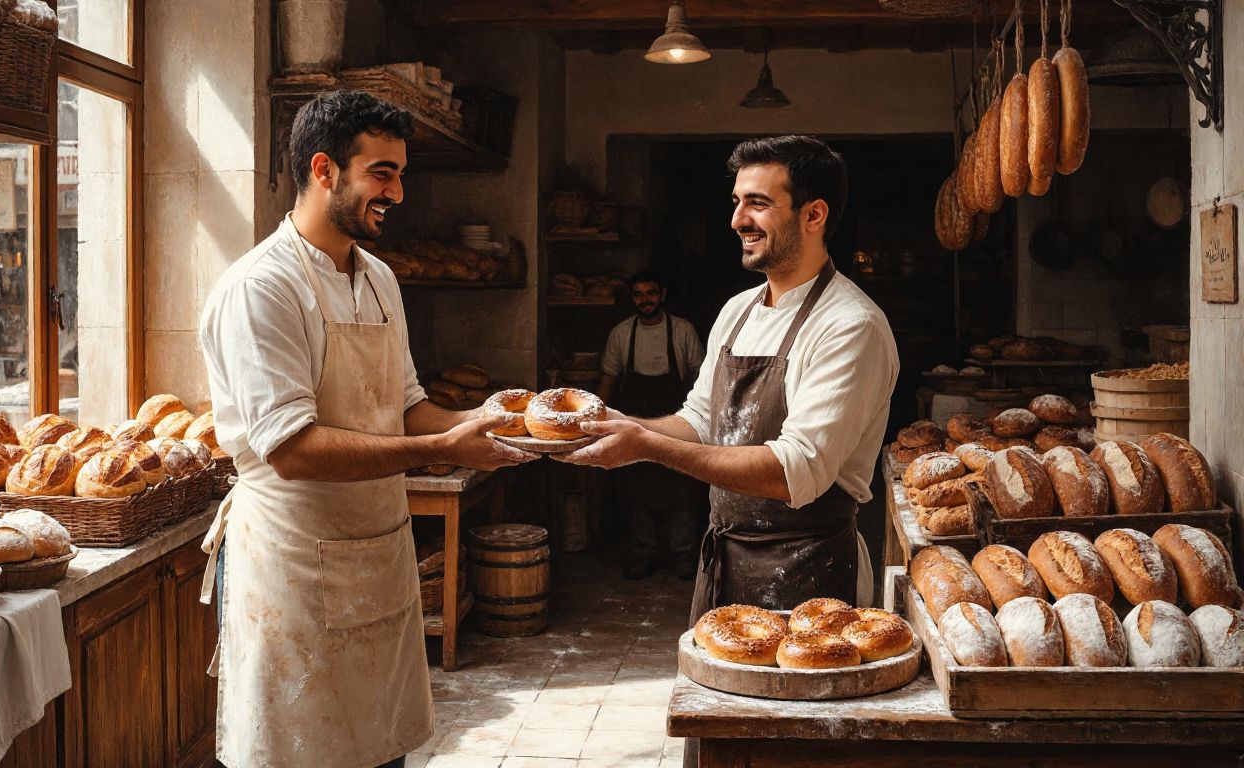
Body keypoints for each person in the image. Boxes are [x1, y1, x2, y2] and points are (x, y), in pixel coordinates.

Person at [197, 89, 537, 768]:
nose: (399, 193)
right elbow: (291, 449)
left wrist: (480, 421)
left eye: (401, 174)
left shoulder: (380, 278)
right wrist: (441, 449)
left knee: (382, 754)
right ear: (324, 170)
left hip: (377, 554)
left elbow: (406, 403)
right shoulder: (261, 288)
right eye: (383, 172)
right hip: (291, 567)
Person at [560, 135, 898, 622]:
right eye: (737, 202)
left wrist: (647, 447)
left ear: (813, 215)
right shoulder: (737, 311)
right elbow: (700, 420)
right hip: (726, 563)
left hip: (811, 578)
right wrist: (612, 424)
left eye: (758, 204)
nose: (737, 220)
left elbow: (793, 470)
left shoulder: (849, 325)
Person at [595, 271, 704, 580]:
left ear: (663, 294)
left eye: (651, 293)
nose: (646, 300)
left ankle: (683, 556)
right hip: (634, 425)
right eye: (639, 294)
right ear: (633, 298)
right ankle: (644, 554)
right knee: (635, 492)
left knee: (681, 490)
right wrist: (593, 421)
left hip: (676, 424)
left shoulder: (683, 331)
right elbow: (608, 380)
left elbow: (701, 382)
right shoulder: (621, 334)